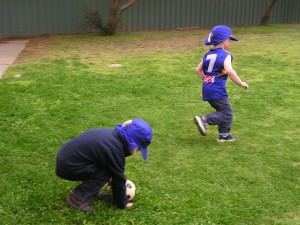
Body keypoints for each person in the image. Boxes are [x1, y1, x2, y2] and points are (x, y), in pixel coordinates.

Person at [55, 118, 153, 212]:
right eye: (139, 149)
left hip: (66, 159)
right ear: (133, 144)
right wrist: (122, 203)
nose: (137, 151)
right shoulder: (115, 150)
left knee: (107, 170)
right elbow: (118, 179)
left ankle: (93, 190)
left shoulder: (110, 135)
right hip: (69, 167)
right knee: (107, 174)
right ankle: (76, 199)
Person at [194, 25, 249, 142]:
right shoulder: (226, 55)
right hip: (217, 90)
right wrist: (240, 83)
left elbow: (198, 70)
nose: (230, 42)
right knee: (227, 113)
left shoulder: (207, 55)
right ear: (224, 40)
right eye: (229, 40)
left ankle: (224, 135)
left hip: (207, 88)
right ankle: (204, 120)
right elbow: (229, 70)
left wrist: (206, 79)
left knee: (223, 111)